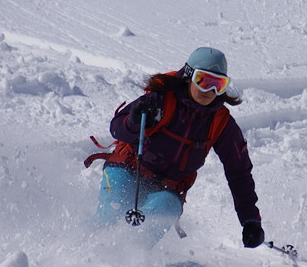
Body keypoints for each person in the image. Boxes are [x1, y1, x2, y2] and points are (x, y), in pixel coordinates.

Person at [91, 47, 265, 250]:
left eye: (218, 85)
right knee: (113, 208)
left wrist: (250, 220)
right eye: (203, 81)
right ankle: (90, 252)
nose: (209, 91)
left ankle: (132, 262)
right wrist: (134, 120)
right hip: (128, 169)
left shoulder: (221, 123)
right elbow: (117, 129)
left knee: (161, 212)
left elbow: (239, 172)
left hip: (166, 189)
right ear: (189, 76)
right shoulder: (161, 100)